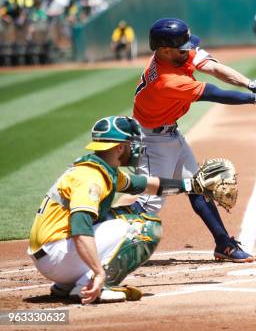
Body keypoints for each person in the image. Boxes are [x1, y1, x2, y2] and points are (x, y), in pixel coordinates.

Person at [132, 18, 256, 263]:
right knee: (150, 203)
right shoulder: (166, 80)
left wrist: (251, 84)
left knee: (198, 186)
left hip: (170, 134)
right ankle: (97, 237)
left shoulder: (177, 53)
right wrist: (255, 100)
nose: (189, 51)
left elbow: (213, 67)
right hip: (152, 143)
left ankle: (224, 244)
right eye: (183, 48)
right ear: (165, 50)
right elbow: (214, 93)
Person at [28, 116, 206, 304]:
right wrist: (98, 272)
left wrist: (191, 185)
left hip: (53, 253)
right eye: (132, 143)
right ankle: (92, 284)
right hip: (57, 256)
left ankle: (67, 284)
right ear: (120, 147)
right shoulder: (91, 178)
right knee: (143, 228)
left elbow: (146, 185)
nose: (136, 148)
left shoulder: (101, 168)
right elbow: (80, 229)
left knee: (119, 215)